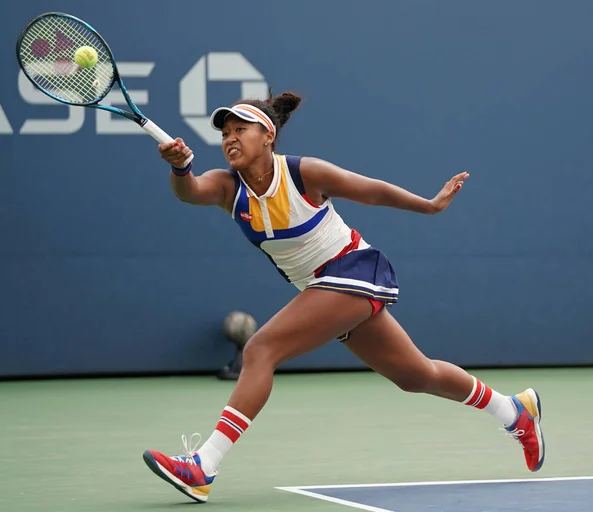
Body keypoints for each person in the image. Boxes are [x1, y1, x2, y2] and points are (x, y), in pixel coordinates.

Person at [142, 92, 545, 503]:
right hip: (322, 290)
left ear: (268, 135)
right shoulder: (228, 187)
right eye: (225, 132)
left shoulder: (303, 173)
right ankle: (515, 411)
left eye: (240, 129)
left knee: (261, 349)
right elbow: (190, 192)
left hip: (351, 271)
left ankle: (203, 466)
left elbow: (370, 190)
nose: (230, 138)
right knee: (416, 376)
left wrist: (429, 206)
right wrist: (181, 168)